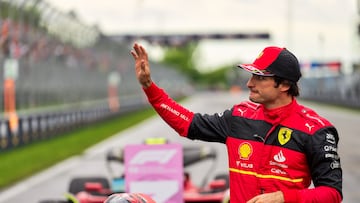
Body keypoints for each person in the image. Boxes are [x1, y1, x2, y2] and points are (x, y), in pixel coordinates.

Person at [130, 43, 342, 203]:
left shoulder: (317, 130)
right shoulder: (239, 117)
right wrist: (149, 87)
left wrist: (283, 197)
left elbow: (332, 193)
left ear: (285, 85)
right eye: (251, 75)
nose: (249, 83)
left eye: (260, 77)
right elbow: (188, 124)